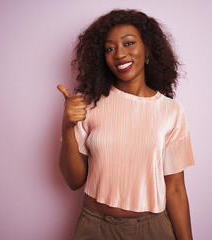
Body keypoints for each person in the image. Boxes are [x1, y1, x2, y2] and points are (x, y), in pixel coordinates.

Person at [58, 9, 195, 240]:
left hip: (152, 229)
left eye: (128, 43)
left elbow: (176, 189)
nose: (119, 54)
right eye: (110, 48)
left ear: (147, 48)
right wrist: (67, 126)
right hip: (95, 227)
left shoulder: (171, 111)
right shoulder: (89, 103)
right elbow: (74, 181)